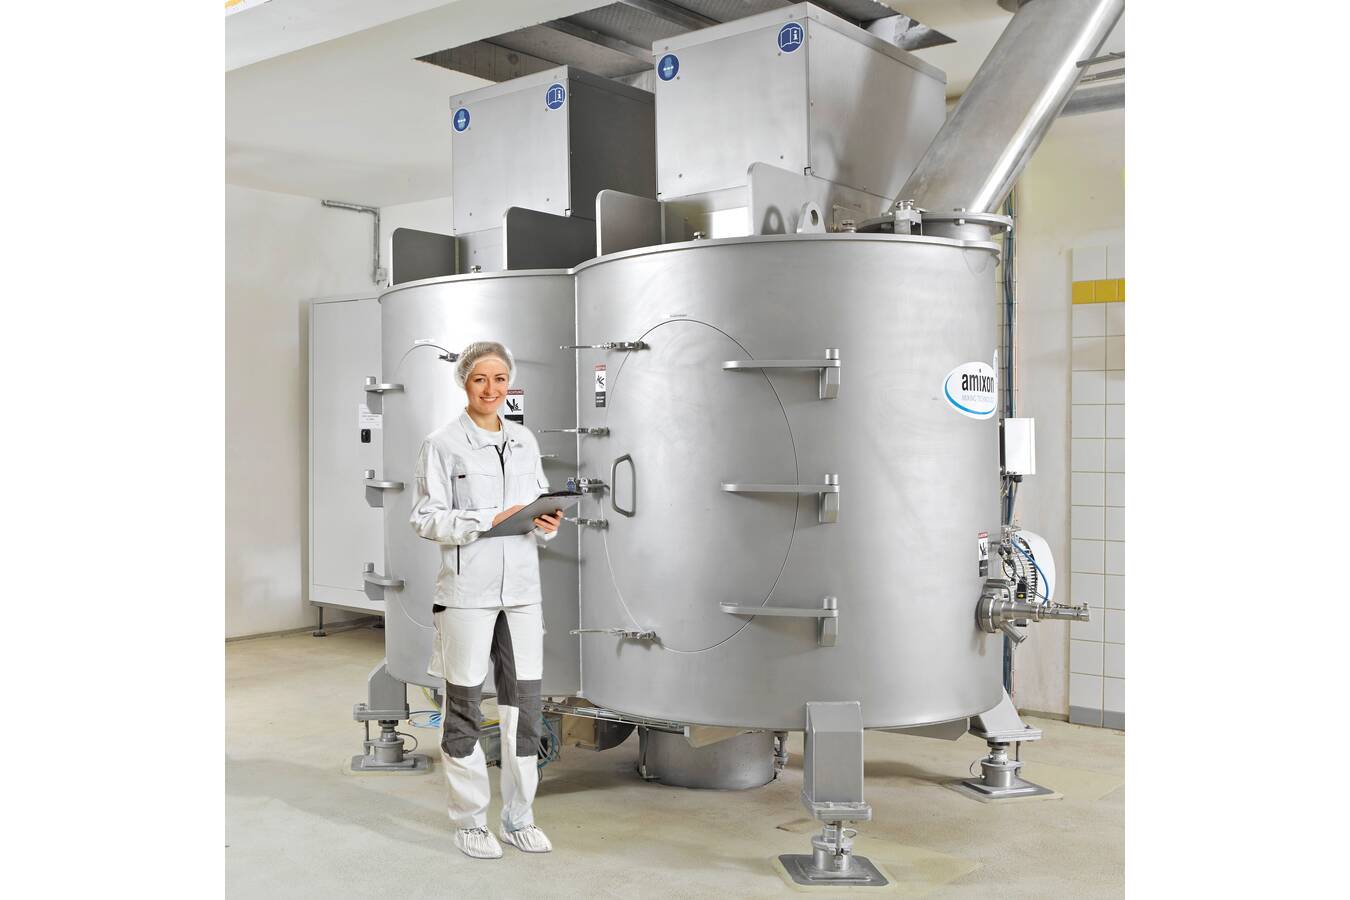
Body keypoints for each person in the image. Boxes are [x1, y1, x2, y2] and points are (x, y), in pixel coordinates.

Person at [409, 341, 563, 859]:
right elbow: (425, 518)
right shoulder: (442, 444)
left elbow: (536, 507)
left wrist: (547, 522)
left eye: (500, 379)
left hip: (522, 593)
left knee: (525, 709)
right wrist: (484, 520)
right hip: (466, 594)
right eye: (481, 379)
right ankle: (471, 822)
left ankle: (519, 818)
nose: (491, 389)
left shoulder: (523, 440)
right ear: (464, 383)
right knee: (464, 708)